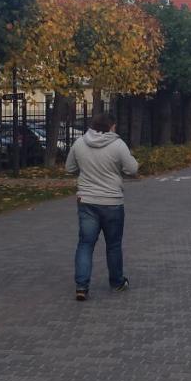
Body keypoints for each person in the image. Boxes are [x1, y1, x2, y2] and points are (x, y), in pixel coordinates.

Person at [65, 112, 138, 301]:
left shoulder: (79, 143)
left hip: (87, 201)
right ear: (110, 126)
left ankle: (81, 286)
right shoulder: (118, 145)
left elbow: (69, 168)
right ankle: (117, 282)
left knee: (85, 244)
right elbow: (132, 169)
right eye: (114, 126)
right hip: (112, 201)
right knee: (113, 245)